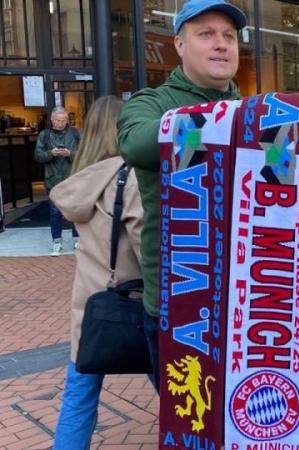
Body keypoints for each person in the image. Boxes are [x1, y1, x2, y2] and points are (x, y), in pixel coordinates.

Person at [118, 0, 247, 386]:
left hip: (246, 298)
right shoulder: (153, 102)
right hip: (181, 304)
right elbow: (136, 144)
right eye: (205, 34)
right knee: (193, 420)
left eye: (229, 36)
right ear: (179, 45)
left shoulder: (254, 110)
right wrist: (224, 118)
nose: (220, 44)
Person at [51, 96, 144, 450]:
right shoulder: (129, 178)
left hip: (88, 306)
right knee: (175, 388)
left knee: (79, 395)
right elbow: (145, 249)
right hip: (131, 301)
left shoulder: (81, 176)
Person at [34, 106, 80, 256]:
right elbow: (38, 156)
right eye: (58, 121)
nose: (60, 123)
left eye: (64, 120)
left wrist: (70, 154)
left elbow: (85, 154)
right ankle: (57, 242)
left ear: (67, 120)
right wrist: (50, 153)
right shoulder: (44, 135)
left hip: (72, 177)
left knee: (75, 210)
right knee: (55, 212)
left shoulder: (75, 133)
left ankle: (77, 239)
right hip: (52, 179)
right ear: (52, 120)